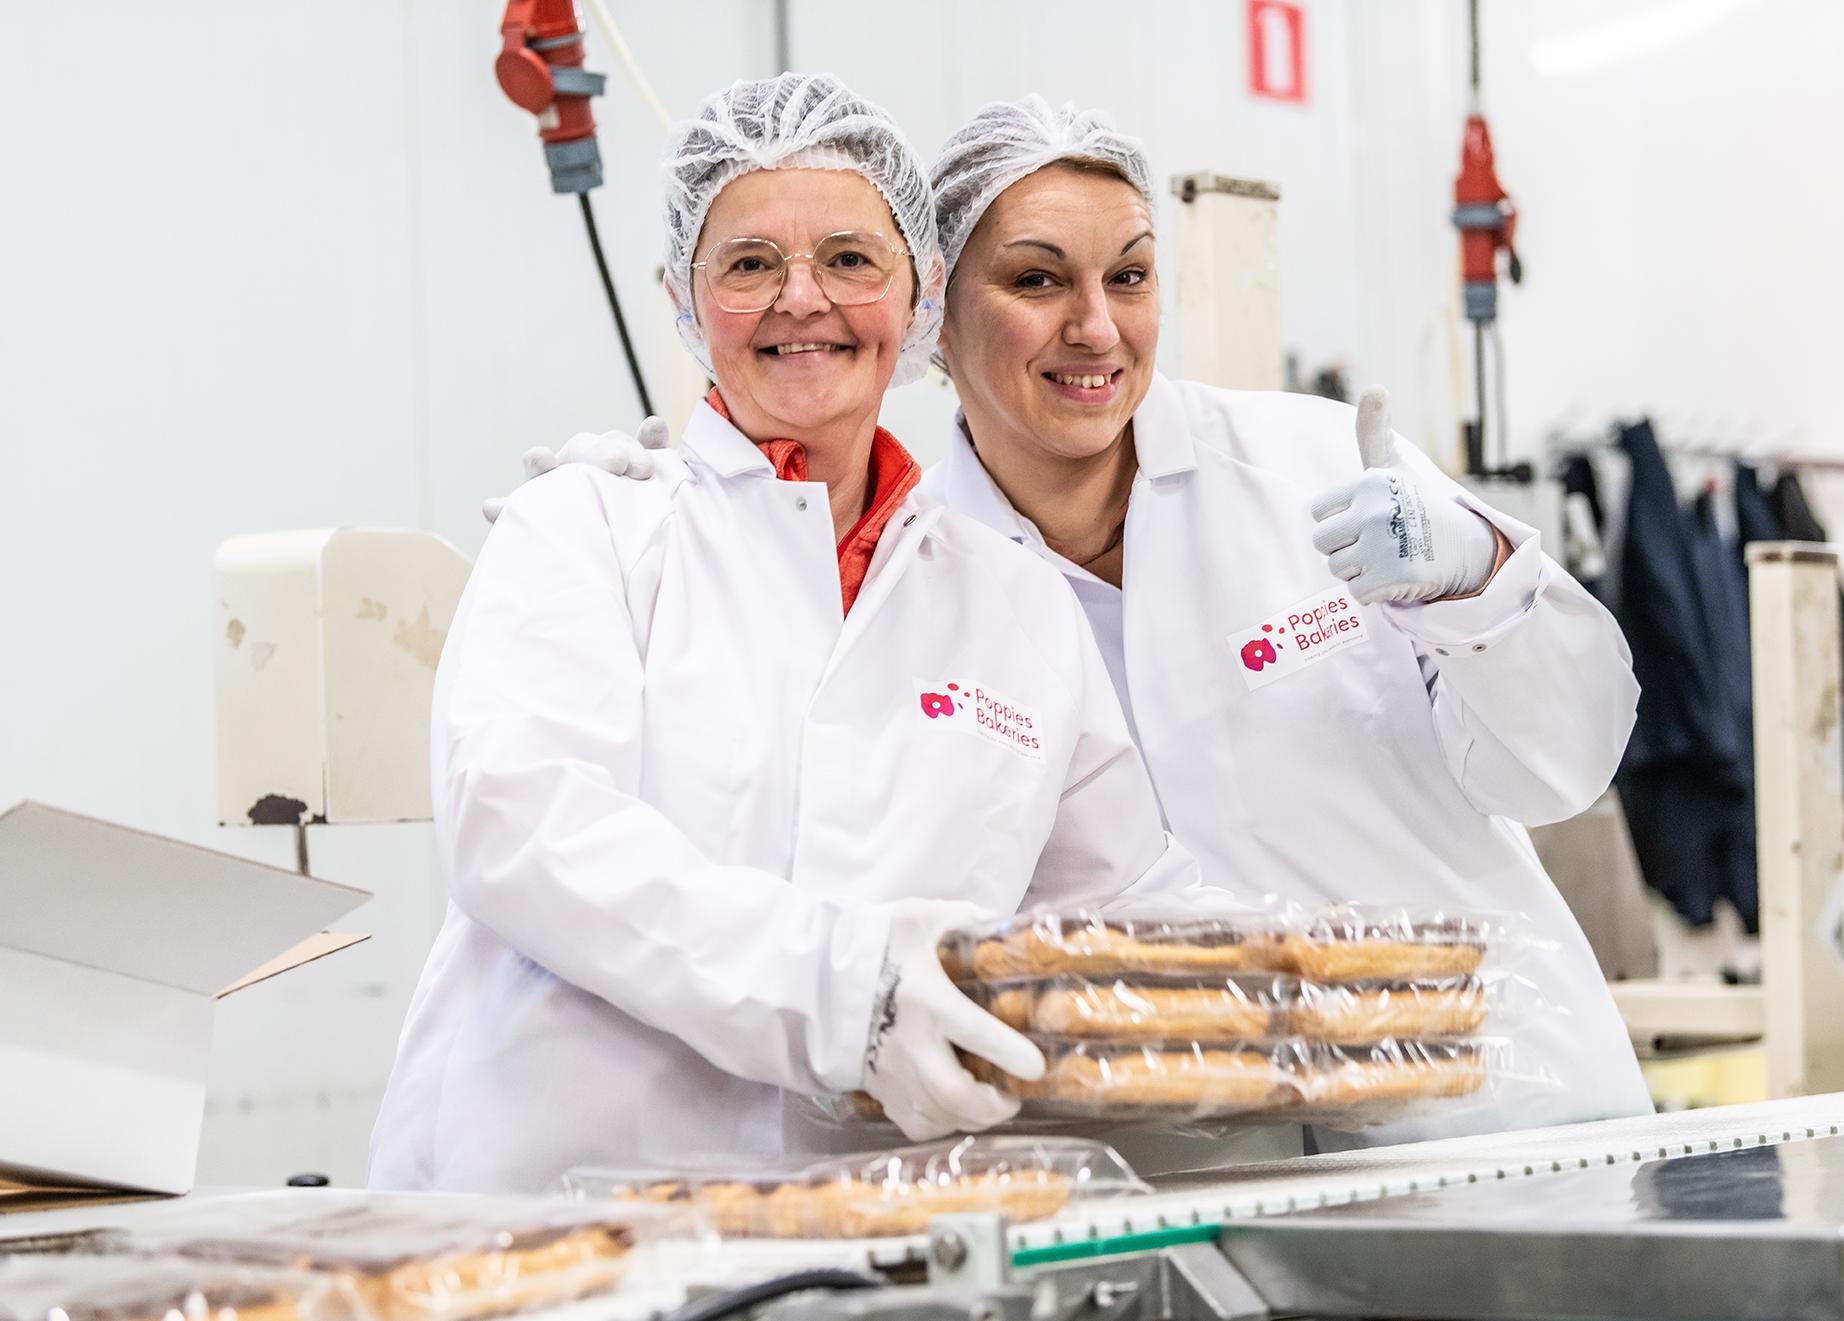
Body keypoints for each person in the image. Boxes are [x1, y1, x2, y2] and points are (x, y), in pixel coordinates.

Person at [525, 96, 1652, 1147]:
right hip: (1211, 1178)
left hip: (1509, 1109)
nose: (1097, 327)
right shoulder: (914, 583)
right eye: (1037, 279)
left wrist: (1477, 582)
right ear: (933, 314)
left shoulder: (1315, 466)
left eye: (1131, 275)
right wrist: (703, 517)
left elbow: (1563, 764)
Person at [369, 76, 1204, 1194]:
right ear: (685, 298)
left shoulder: (1014, 605)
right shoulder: (587, 530)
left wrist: (1337, 1006)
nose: (801, 299)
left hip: (882, 1230)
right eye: (751, 264)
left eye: (851, 259)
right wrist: (840, 992)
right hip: (553, 1218)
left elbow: (1128, 911)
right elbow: (524, 832)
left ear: (920, 294)